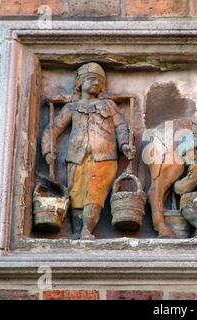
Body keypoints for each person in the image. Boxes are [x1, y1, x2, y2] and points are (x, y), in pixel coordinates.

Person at [42, 62, 134, 240]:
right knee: (76, 195)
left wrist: (125, 145)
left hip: (104, 158)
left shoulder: (109, 106)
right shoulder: (71, 107)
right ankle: (78, 232)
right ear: (80, 83)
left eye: (100, 81)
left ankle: (87, 230)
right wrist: (48, 151)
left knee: (94, 194)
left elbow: (121, 127)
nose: (96, 83)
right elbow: (53, 129)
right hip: (77, 158)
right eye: (91, 79)